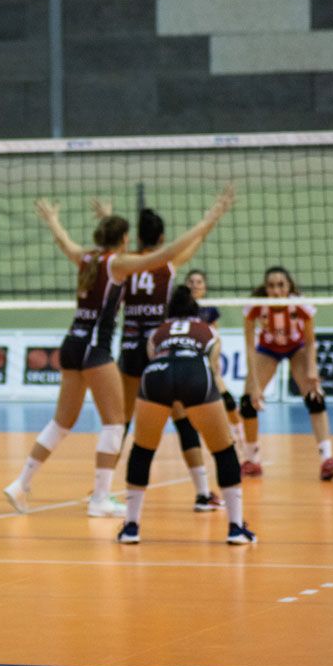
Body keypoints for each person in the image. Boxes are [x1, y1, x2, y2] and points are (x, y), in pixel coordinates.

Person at [5, 195, 231, 518]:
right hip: (97, 350)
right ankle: (100, 498)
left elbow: (65, 242)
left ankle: (20, 484)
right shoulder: (121, 264)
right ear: (125, 240)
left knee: (62, 423)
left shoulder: (86, 259)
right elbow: (165, 255)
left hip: (73, 344)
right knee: (115, 424)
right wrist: (206, 222)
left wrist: (54, 220)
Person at [117, 285, 255, 545]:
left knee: (142, 450)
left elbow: (153, 357)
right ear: (196, 310)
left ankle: (131, 527)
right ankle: (236, 527)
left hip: (157, 372)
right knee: (223, 450)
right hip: (195, 372)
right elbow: (213, 370)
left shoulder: (158, 332)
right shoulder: (209, 331)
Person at [116, 207, 225, 511]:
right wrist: (210, 220)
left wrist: (107, 219)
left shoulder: (125, 265)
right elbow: (193, 244)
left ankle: (100, 490)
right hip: (161, 349)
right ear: (162, 237)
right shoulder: (167, 264)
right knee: (181, 420)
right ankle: (203, 492)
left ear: (137, 237)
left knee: (121, 422)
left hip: (129, 348)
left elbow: (112, 250)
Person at [239, 267, 333, 481]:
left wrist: (311, 368)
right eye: (271, 285)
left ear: (289, 286)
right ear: (266, 288)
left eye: (281, 285)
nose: (276, 290)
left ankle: (327, 460)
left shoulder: (299, 303)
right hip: (267, 350)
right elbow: (249, 345)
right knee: (247, 402)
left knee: (315, 396)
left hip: (296, 348)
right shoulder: (256, 305)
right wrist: (253, 381)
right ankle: (252, 460)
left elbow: (309, 340)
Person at [187, 268, 245, 449]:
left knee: (226, 399)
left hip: (206, 357)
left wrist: (216, 357)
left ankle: (238, 431)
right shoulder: (180, 307)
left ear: (204, 287)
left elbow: (216, 334)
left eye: (199, 282)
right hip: (187, 359)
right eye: (191, 282)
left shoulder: (209, 308)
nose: (195, 285)